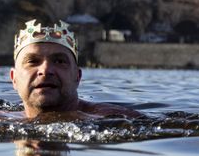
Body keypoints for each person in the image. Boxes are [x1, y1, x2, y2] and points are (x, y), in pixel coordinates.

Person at [10, 19, 142, 120]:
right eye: (32, 61)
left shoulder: (116, 119)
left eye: (59, 61)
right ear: (14, 79)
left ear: (77, 77)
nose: (45, 70)